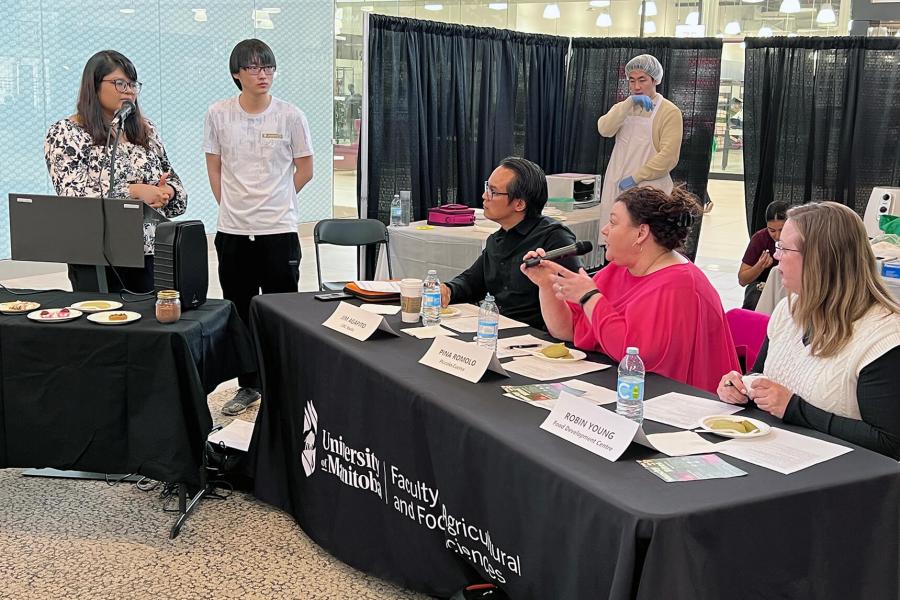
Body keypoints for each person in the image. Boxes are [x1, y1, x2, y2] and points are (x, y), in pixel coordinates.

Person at [717, 202, 900, 459]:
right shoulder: (788, 309)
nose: (776, 256)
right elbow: (761, 376)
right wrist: (740, 388)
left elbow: (891, 444)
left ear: (821, 260)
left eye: (784, 248)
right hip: (776, 460)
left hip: (842, 483)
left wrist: (795, 409)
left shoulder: (883, 337)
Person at [521, 186, 739, 393]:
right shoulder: (618, 269)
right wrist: (547, 284)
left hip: (671, 405)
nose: (605, 231)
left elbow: (634, 357)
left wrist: (590, 297)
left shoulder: (679, 285)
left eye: (613, 223)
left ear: (641, 233)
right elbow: (566, 330)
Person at [204, 39, 314, 416]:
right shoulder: (218, 113)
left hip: (278, 230)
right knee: (240, 310)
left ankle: (285, 383)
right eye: (252, 67)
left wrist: (278, 201)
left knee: (281, 309)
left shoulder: (291, 116)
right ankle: (249, 385)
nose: (262, 74)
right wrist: (233, 206)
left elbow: (306, 169)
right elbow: (214, 168)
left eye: (267, 66)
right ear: (237, 73)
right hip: (233, 231)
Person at [44, 50, 186, 292]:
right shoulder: (67, 133)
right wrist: (133, 192)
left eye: (132, 84)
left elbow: (173, 180)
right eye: (119, 83)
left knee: (151, 325)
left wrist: (167, 192)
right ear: (94, 85)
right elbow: (73, 196)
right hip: (96, 254)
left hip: (151, 252)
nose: (128, 90)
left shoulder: (145, 129)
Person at [440, 157, 580, 330]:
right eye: (486, 188)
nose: (484, 196)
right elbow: (473, 281)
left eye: (493, 191)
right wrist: (449, 290)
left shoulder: (554, 238)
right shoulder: (497, 238)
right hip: (499, 331)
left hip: (541, 337)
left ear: (519, 204)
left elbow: (575, 299)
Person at [596, 54, 683, 226]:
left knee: (643, 237)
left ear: (655, 80)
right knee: (614, 236)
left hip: (650, 187)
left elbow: (669, 156)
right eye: (632, 80)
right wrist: (628, 103)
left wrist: (636, 178)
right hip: (617, 184)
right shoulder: (623, 107)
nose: (636, 86)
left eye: (642, 80)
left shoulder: (669, 112)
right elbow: (604, 129)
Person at [739, 200, 789, 310]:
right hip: (763, 284)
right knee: (755, 300)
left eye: (782, 230)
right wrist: (759, 266)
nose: (777, 235)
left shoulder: (797, 238)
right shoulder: (760, 239)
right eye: (772, 230)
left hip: (791, 283)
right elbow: (742, 280)